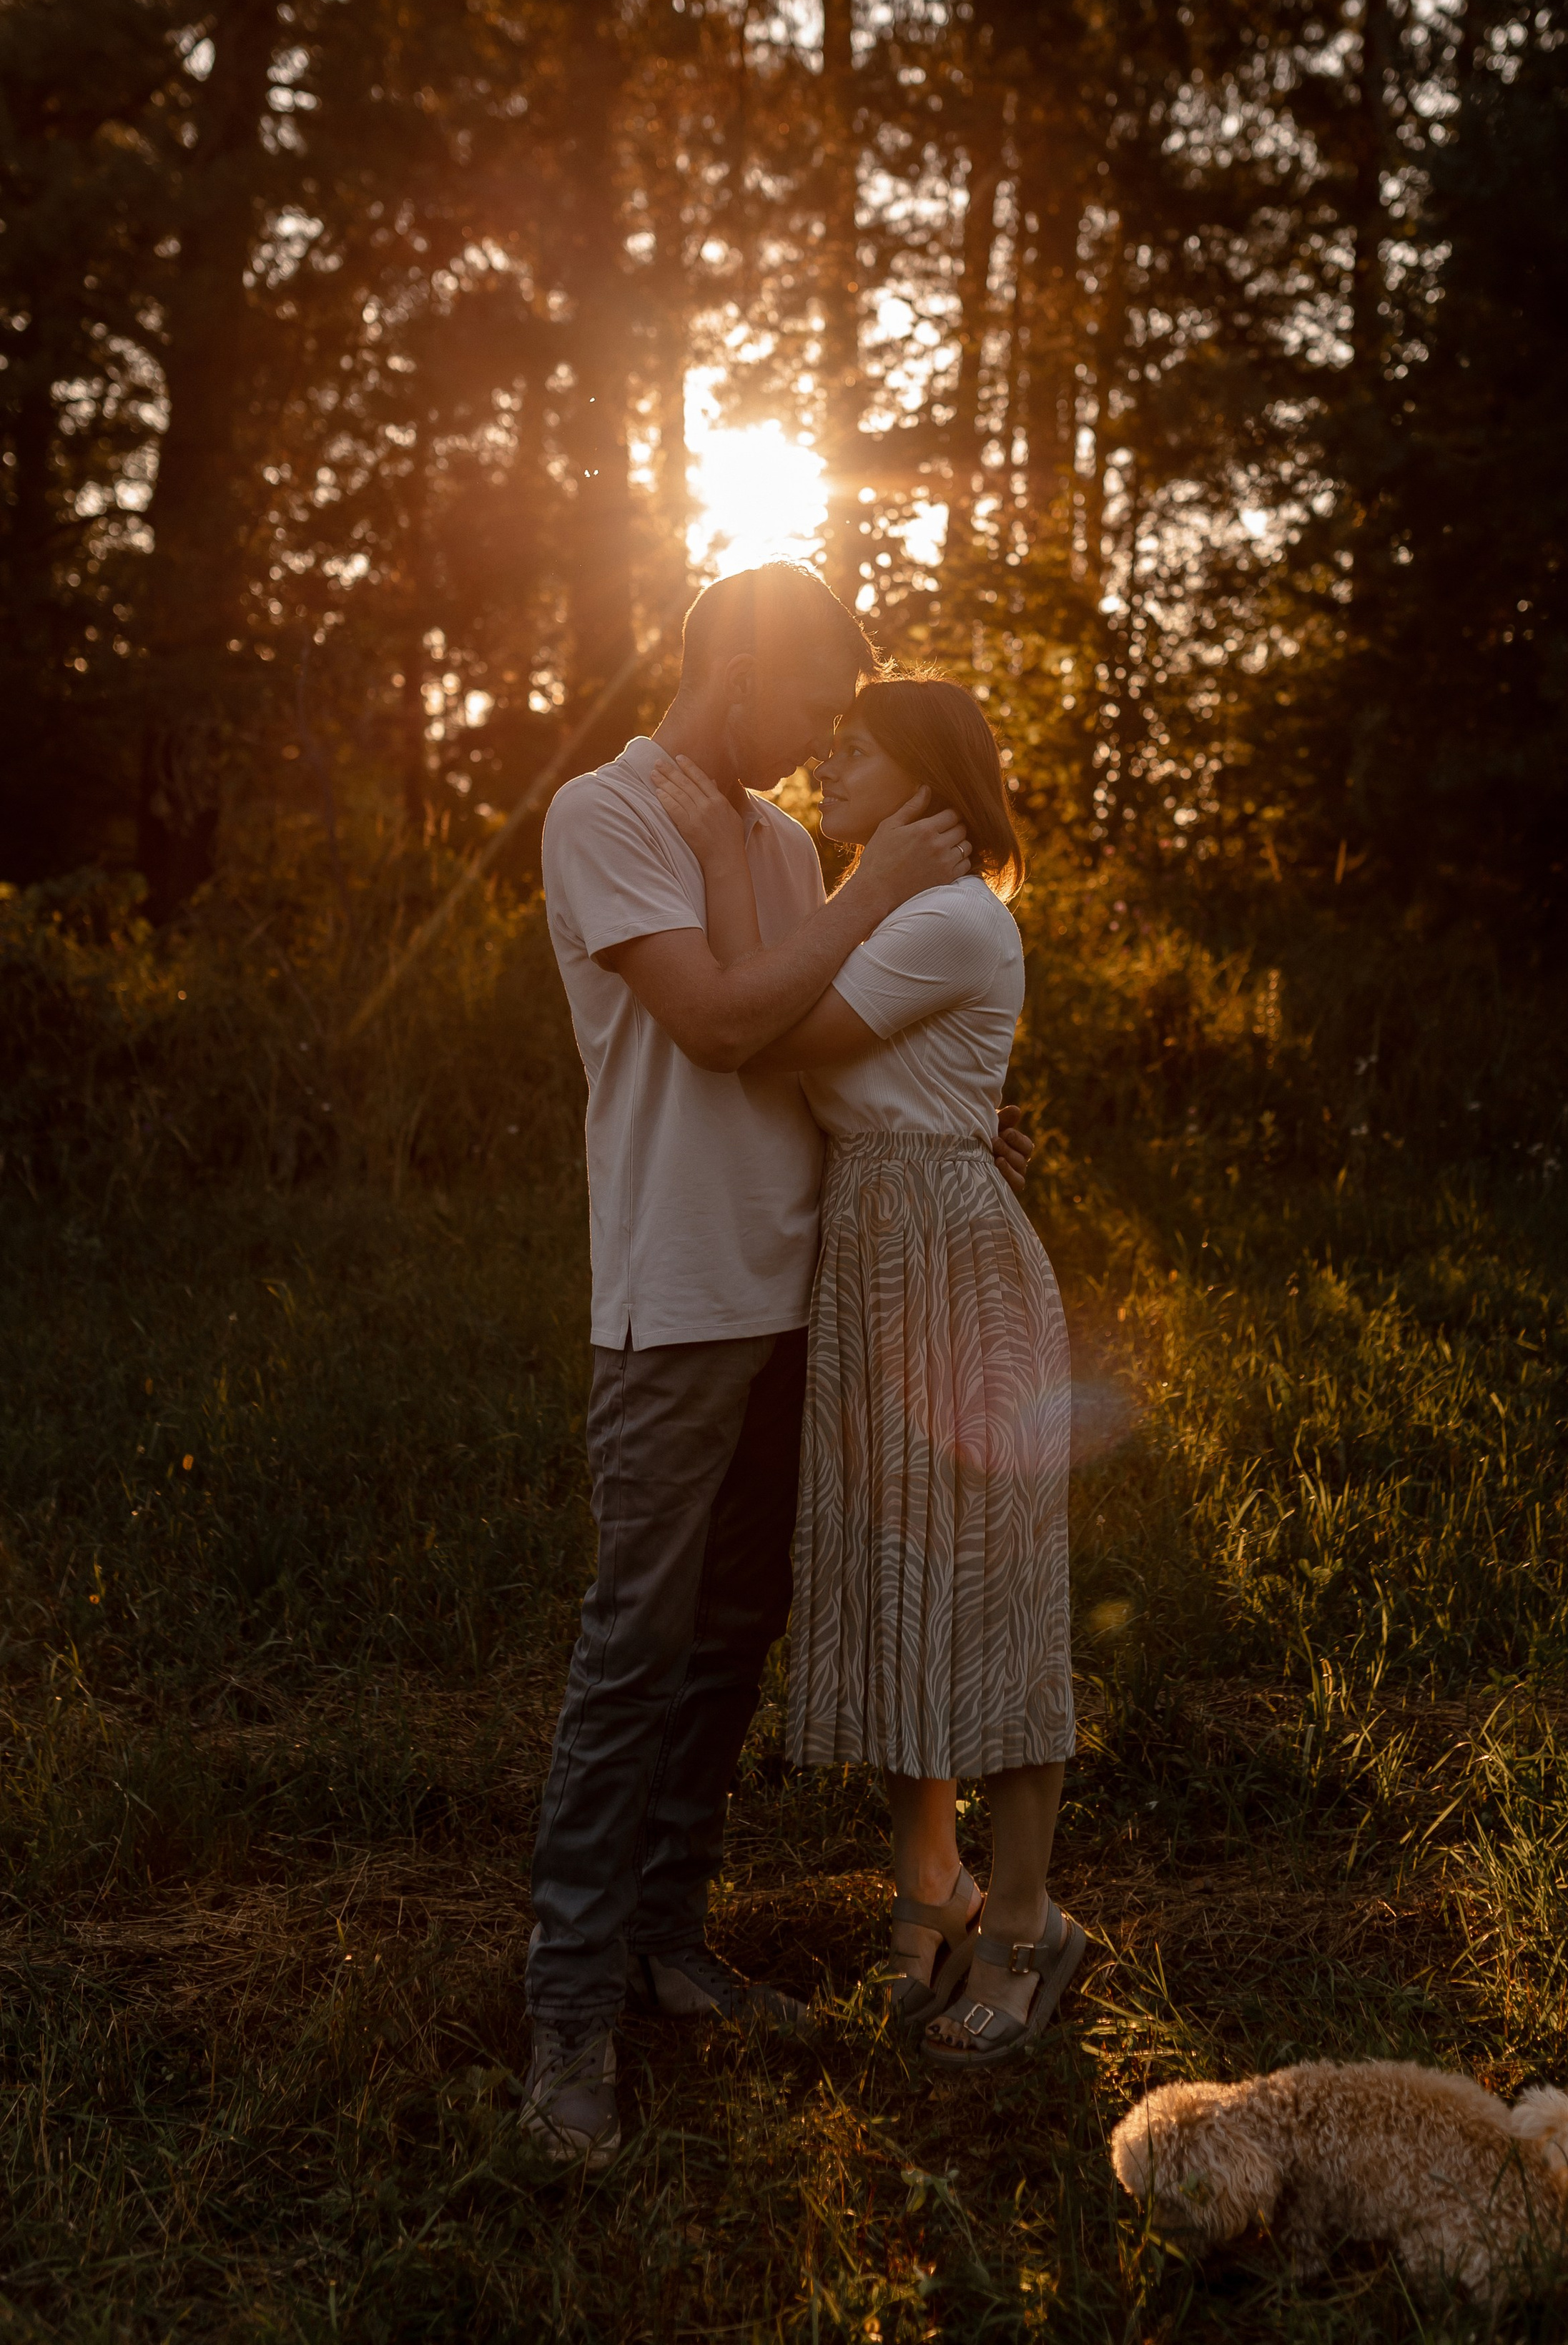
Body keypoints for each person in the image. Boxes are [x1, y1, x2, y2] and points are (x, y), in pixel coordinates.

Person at [520, 566, 1032, 2168]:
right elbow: (726, 1028)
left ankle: (668, 1946)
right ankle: (566, 2021)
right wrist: (872, 892)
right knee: (633, 1644)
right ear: (735, 667)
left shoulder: (785, 842)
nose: (820, 737)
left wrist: (951, 1120)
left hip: (800, 1288)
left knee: (730, 1638)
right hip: (673, 1299)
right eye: (811, 699)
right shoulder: (604, 815)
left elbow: (827, 1040)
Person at [651, 671, 1083, 2078]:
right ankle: (930, 1887)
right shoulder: (895, 915)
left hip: (950, 1270)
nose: (828, 763)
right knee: (896, 1591)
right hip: (875, 1261)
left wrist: (724, 857)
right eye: (828, 741)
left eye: (859, 748)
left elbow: (769, 1037)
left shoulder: (950, 916)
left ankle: (1020, 1931)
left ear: (929, 781)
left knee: (990, 1600)